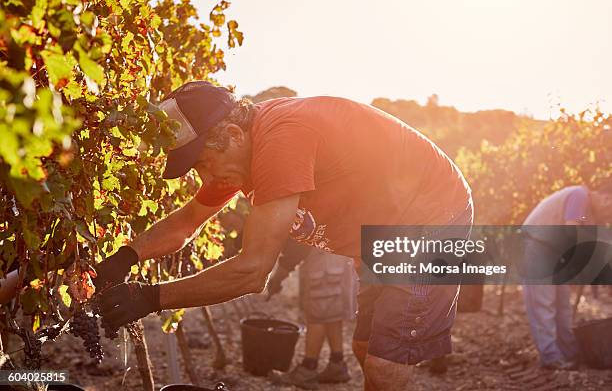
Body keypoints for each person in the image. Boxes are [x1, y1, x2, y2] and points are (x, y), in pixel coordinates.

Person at [95, 81, 473, 390]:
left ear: (231, 134)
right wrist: (125, 257)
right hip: (381, 235)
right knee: (365, 347)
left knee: (386, 364)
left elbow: (252, 271)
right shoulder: (241, 149)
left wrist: (152, 297)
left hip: (430, 219)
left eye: (203, 165)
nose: (205, 180)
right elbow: (188, 220)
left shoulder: (281, 141)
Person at [521, 183, 612, 370]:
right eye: (610, 212)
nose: (608, 217)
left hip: (555, 253)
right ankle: (551, 357)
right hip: (536, 246)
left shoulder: (592, 213)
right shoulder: (579, 196)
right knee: (543, 304)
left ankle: (571, 353)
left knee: (563, 305)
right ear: (607, 199)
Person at [266, 240, 357, 389]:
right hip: (338, 260)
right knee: (331, 313)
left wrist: (278, 277)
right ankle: (337, 365)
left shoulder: (307, 217)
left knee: (317, 316)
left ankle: (308, 368)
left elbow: (296, 250)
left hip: (324, 263)